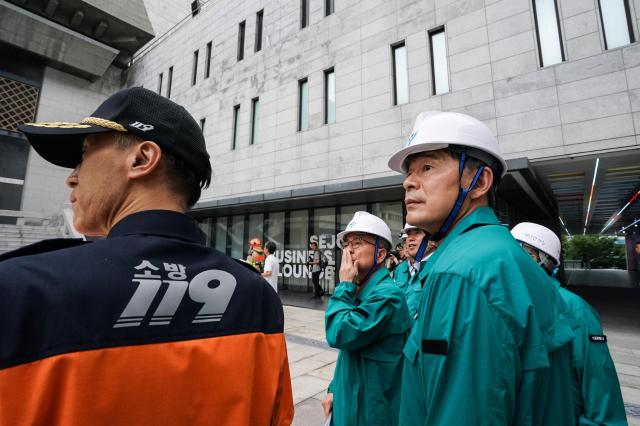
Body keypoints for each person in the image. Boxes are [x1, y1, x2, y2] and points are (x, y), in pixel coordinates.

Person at [0, 87, 293, 425]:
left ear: (141, 159)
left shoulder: (20, 290)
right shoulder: (256, 298)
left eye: (83, 154)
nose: (71, 178)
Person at [387, 111, 576, 425]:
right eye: (409, 172)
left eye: (428, 166)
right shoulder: (494, 253)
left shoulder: (464, 271)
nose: (408, 181)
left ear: (479, 182)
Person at [511, 222, 627, 425]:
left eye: (526, 254)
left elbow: (599, 382)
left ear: (545, 262)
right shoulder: (507, 303)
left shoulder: (575, 308)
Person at [322, 211, 411, 426]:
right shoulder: (361, 289)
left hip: (370, 413)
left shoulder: (388, 296)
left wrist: (344, 285)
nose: (349, 249)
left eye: (358, 243)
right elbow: (348, 352)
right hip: (349, 403)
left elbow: (340, 333)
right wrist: (334, 388)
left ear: (380, 255)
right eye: (346, 243)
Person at [393, 223, 432, 322]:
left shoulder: (438, 266)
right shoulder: (400, 268)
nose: (410, 239)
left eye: (418, 232)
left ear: (432, 238)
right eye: (409, 234)